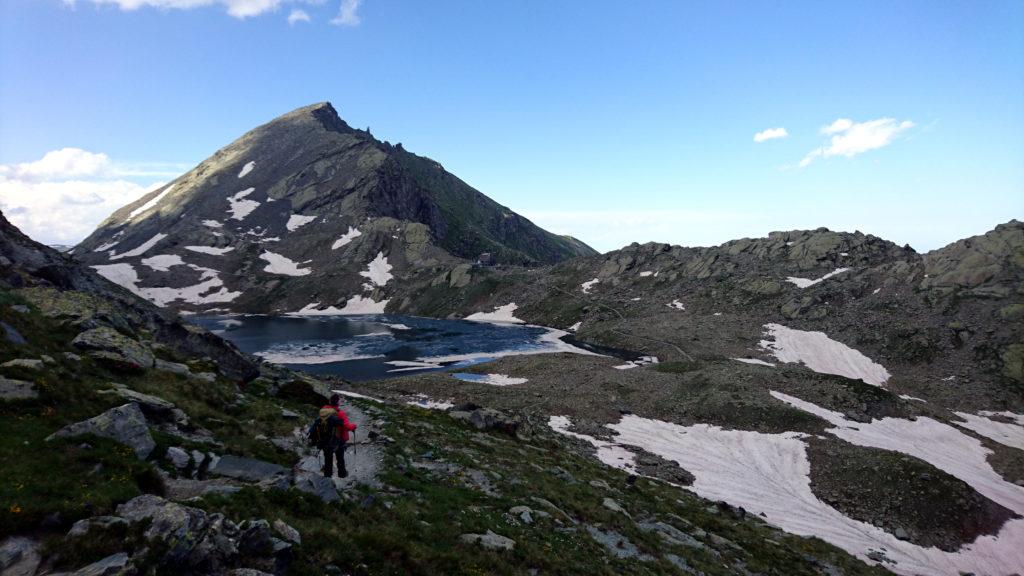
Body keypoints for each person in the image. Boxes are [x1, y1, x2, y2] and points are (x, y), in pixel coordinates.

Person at [318, 393, 357, 478]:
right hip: (338, 439)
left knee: (328, 458)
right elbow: (347, 426)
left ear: (330, 401)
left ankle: (327, 476)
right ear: (338, 403)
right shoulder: (340, 413)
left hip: (325, 439)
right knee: (340, 457)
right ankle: (342, 474)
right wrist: (354, 426)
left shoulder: (323, 410)